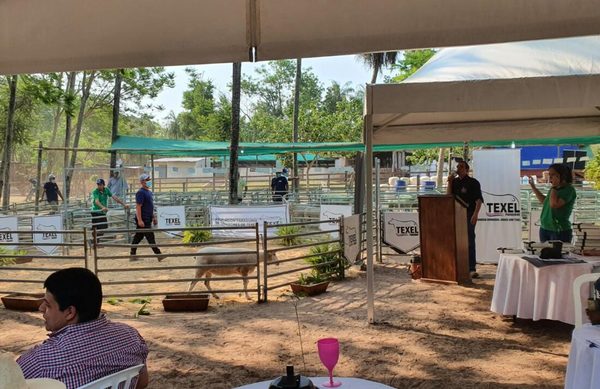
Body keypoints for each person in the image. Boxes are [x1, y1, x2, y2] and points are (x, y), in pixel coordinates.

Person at [16, 268, 148, 389]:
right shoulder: (131, 336)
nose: (41, 309)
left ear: (70, 312)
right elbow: (142, 382)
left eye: (48, 305)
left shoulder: (40, 361)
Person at [447, 160, 484, 279]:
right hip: (455, 215)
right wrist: (449, 182)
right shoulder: (455, 182)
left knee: (469, 240)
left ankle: (471, 268)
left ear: (467, 170)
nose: (458, 168)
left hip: (468, 214)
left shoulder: (473, 182)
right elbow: (448, 197)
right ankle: (457, 267)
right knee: (456, 241)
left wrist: (475, 214)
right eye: (457, 166)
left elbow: (478, 200)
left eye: (461, 167)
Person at [529, 163, 576, 243]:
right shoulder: (554, 189)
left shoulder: (568, 190)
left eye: (553, 175)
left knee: (557, 254)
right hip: (545, 227)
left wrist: (554, 187)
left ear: (561, 175)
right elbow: (545, 201)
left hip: (559, 229)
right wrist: (534, 187)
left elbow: (554, 204)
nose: (550, 177)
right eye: (549, 174)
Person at [130, 174, 166, 261]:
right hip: (143, 219)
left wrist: (153, 217)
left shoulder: (149, 192)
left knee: (138, 237)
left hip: (147, 218)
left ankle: (132, 254)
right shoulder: (140, 192)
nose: (149, 181)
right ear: (142, 182)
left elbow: (150, 206)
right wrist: (139, 220)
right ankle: (158, 254)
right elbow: (138, 206)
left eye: (149, 179)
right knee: (150, 237)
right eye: (147, 180)